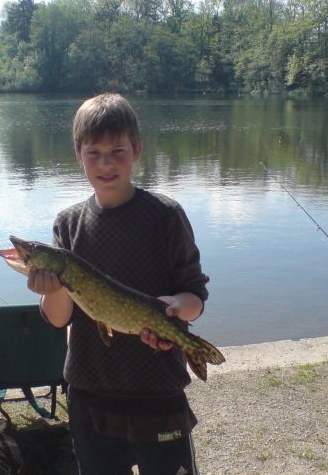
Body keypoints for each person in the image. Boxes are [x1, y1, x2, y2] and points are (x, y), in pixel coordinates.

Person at [24, 93, 210, 475]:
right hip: (91, 391)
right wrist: (53, 288)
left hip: (158, 387)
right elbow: (59, 320)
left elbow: (195, 297)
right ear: (78, 154)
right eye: (94, 153)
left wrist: (174, 308)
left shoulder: (166, 215)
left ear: (137, 150)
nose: (106, 164)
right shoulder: (68, 224)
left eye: (117, 151)